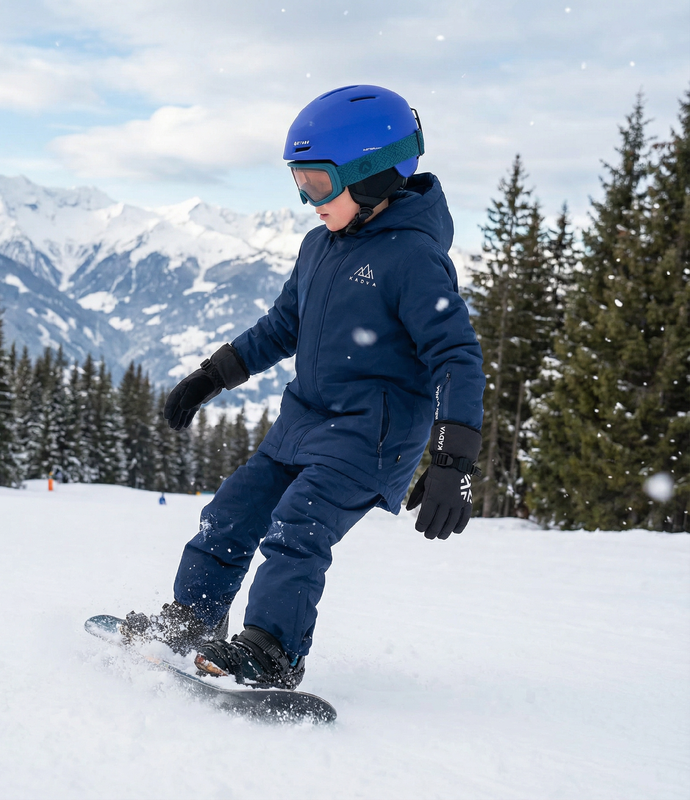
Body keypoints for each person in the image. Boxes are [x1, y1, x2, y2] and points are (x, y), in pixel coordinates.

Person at [121, 85, 485, 689]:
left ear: (371, 175)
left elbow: (456, 358)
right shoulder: (320, 246)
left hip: (370, 437)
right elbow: (282, 326)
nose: (305, 200)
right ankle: (192, 622)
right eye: (298, 182)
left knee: (298, 529)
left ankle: (272, 651)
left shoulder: (415, 258)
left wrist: (453, 461)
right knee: (231, 515)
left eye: (317, 184)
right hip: (302, 424)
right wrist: (212, 376)